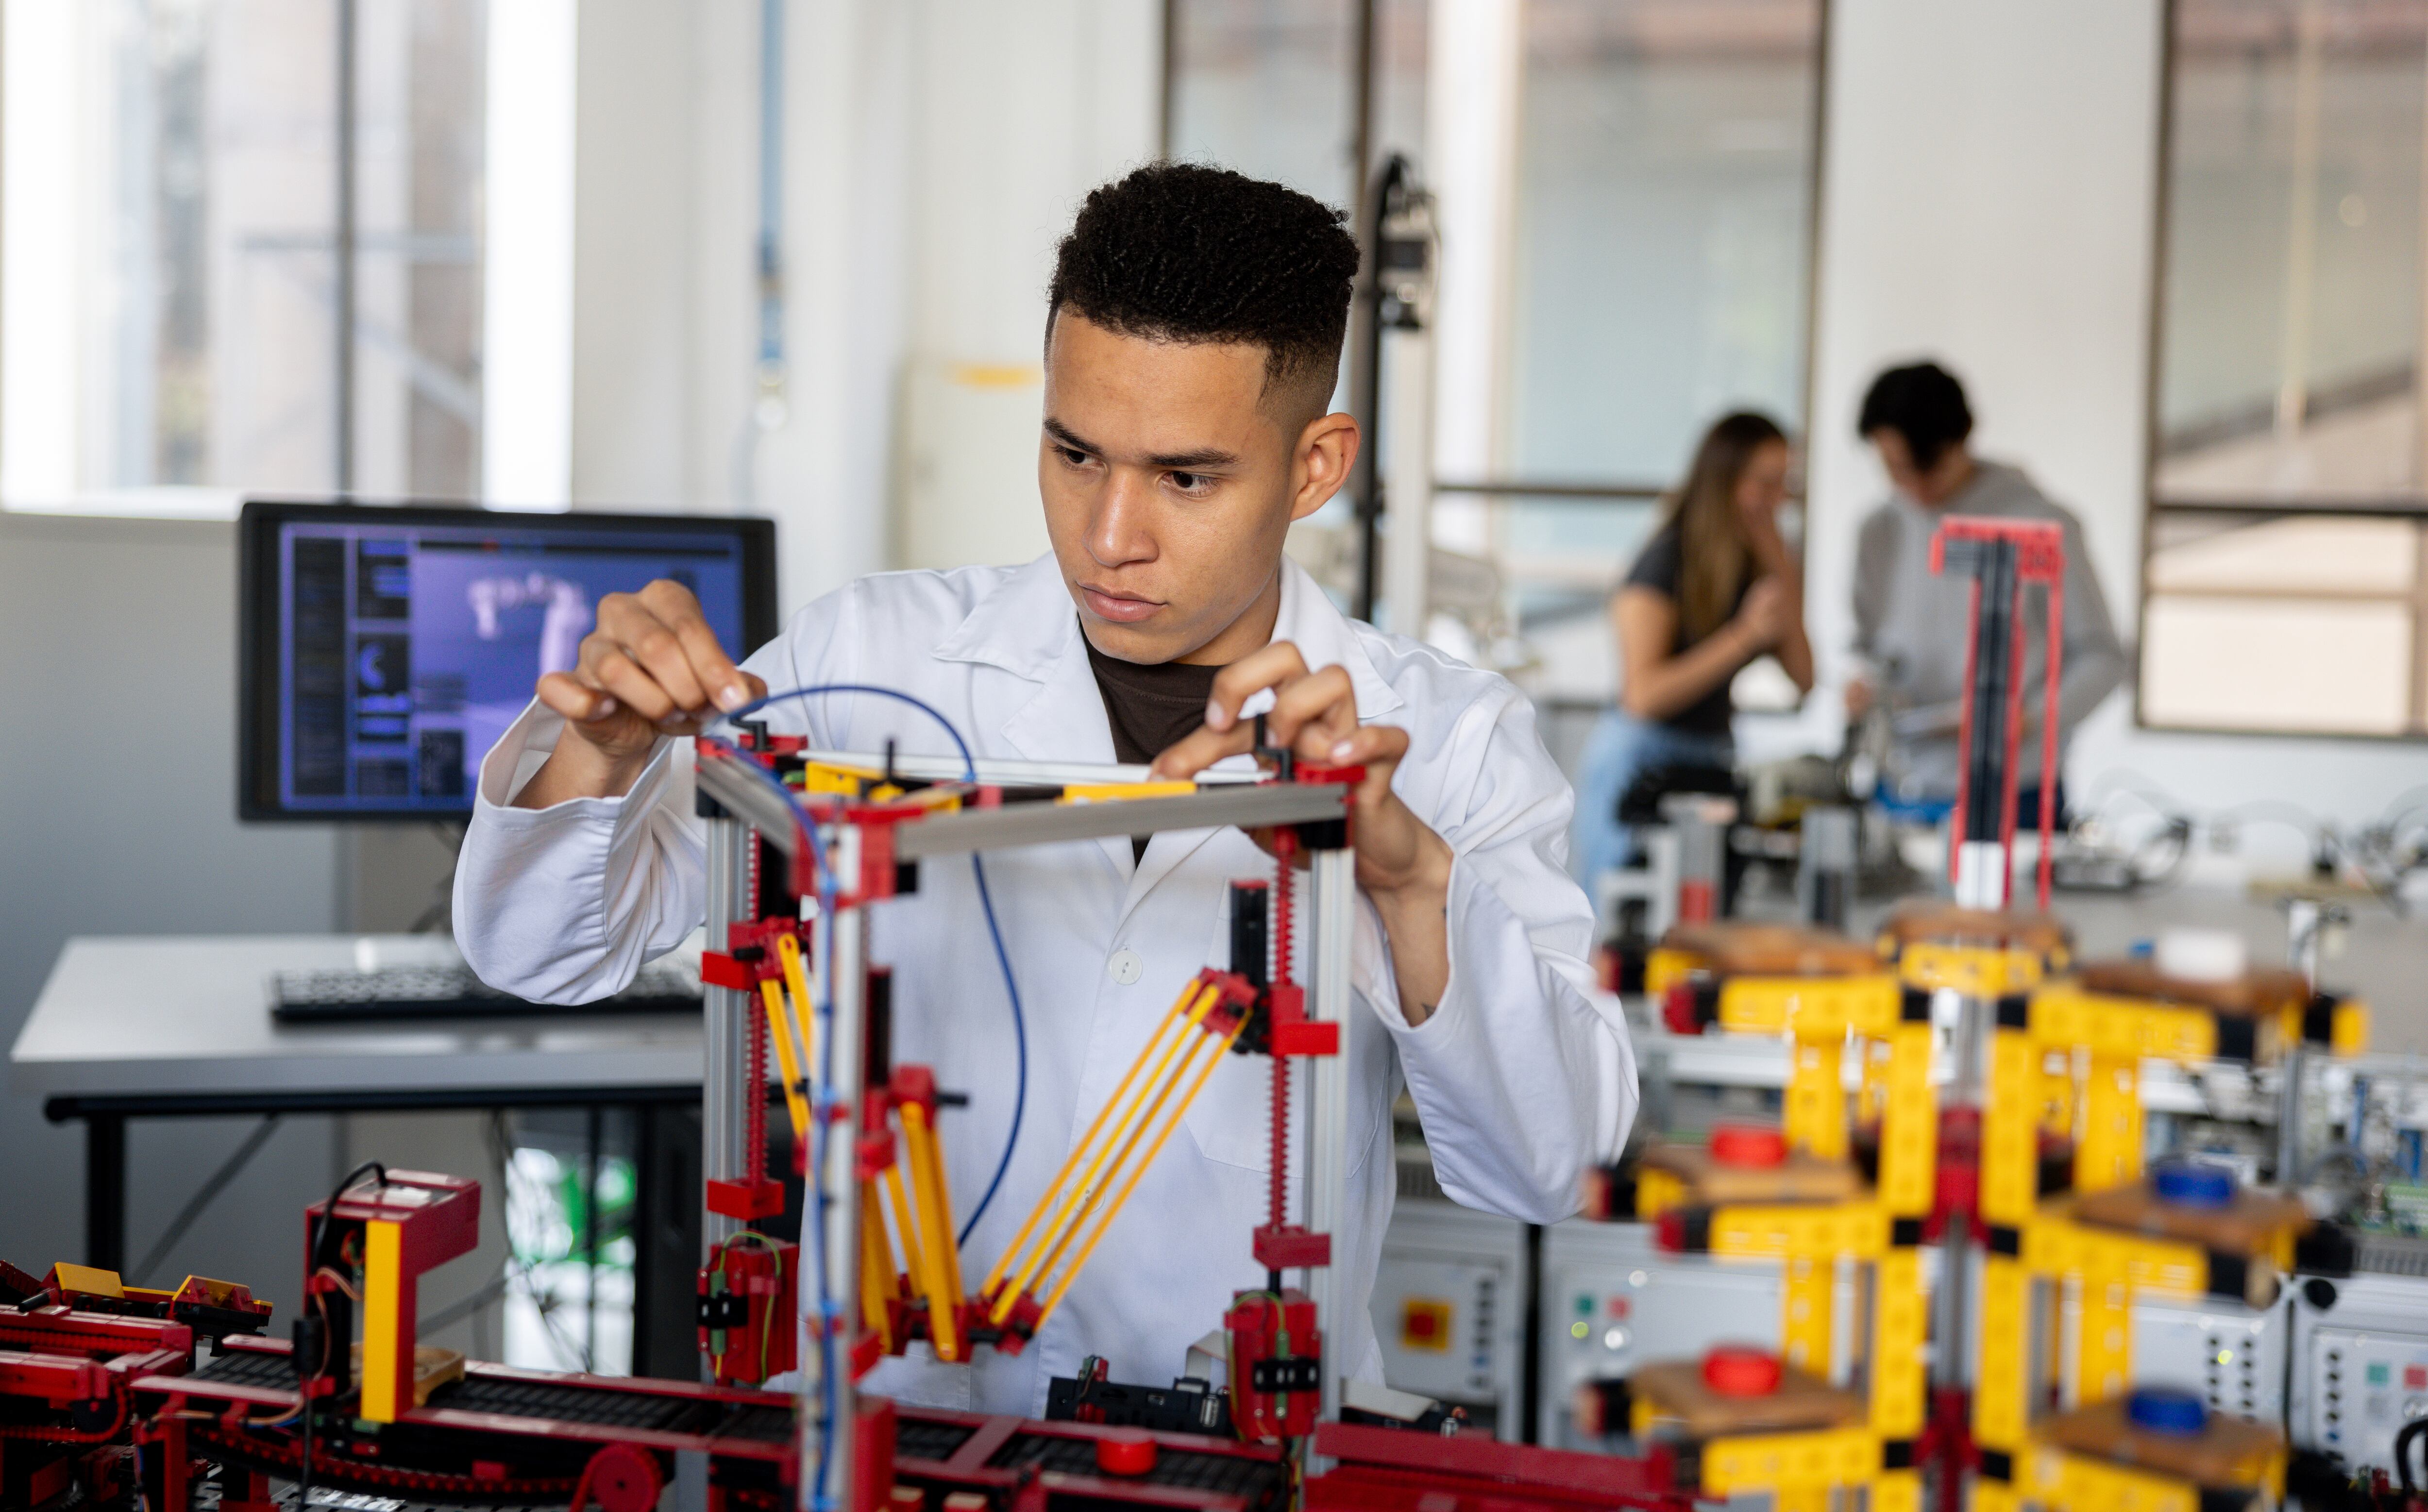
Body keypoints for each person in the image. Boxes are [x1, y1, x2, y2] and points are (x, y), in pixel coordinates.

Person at [452, 164, 1636, 1416]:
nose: (1108, 532)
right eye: (1075, 451)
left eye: (1185, 477)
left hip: (1228, 1459)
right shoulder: (874, 659)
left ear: (1315, 463)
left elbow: (1546, 1162)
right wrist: (610, 747)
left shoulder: (1444, 740)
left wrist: (1403, 879)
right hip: (877, 1441)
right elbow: (539, 951)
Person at [1845, 362, 2124, 822]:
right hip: (1901, 788)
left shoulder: (2038, 525)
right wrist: (1863, 687)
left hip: (2015, 791)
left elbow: (2103, 658)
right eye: (1894, 469)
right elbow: (1865, 647)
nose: (1911, 485)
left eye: (1924, 468)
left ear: (1960, 442)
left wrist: (2027, 717)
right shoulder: (1879, 530)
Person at [1570, 412, 1813, 883]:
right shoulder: (1663, 561)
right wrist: (1742, 636)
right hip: (1641, 768)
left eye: (1783, 485)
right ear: (1723, 480)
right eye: (1763, 484)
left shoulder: (1754, 566)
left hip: (1710, 766)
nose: (1776, 501)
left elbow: (1805, 679)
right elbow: (1642, 696)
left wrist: (1779, 565)